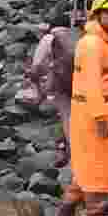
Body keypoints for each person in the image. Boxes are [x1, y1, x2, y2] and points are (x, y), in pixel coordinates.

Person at [56, 0, 108, 216]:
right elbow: (92, 85)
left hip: (99, 112)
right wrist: (100, 117)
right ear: (97, 15)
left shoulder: (99, 41)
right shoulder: (93, 45)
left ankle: (66, 211)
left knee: (88, 165)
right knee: (98, 166)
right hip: (96, 114)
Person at [20, 10, 78, 166]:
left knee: (67, 116)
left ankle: (74, 151)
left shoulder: (49, 38)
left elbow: (37, 66)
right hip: (83, 81)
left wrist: (37, 86)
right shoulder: (77, 36)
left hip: (62, 84)